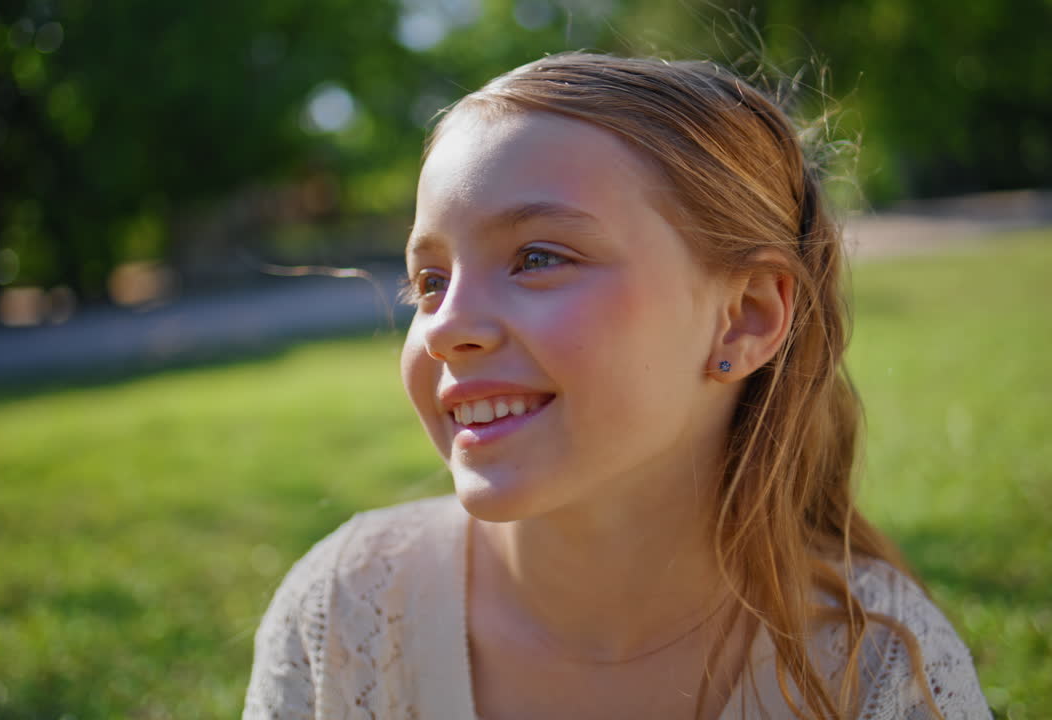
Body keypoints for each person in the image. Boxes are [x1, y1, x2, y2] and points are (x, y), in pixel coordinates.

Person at [243, 52, 990, 719]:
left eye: (538, 258)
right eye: (430, 281)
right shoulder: (347, 613)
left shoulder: (877, 669)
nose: (444, 328)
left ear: (745, 317)